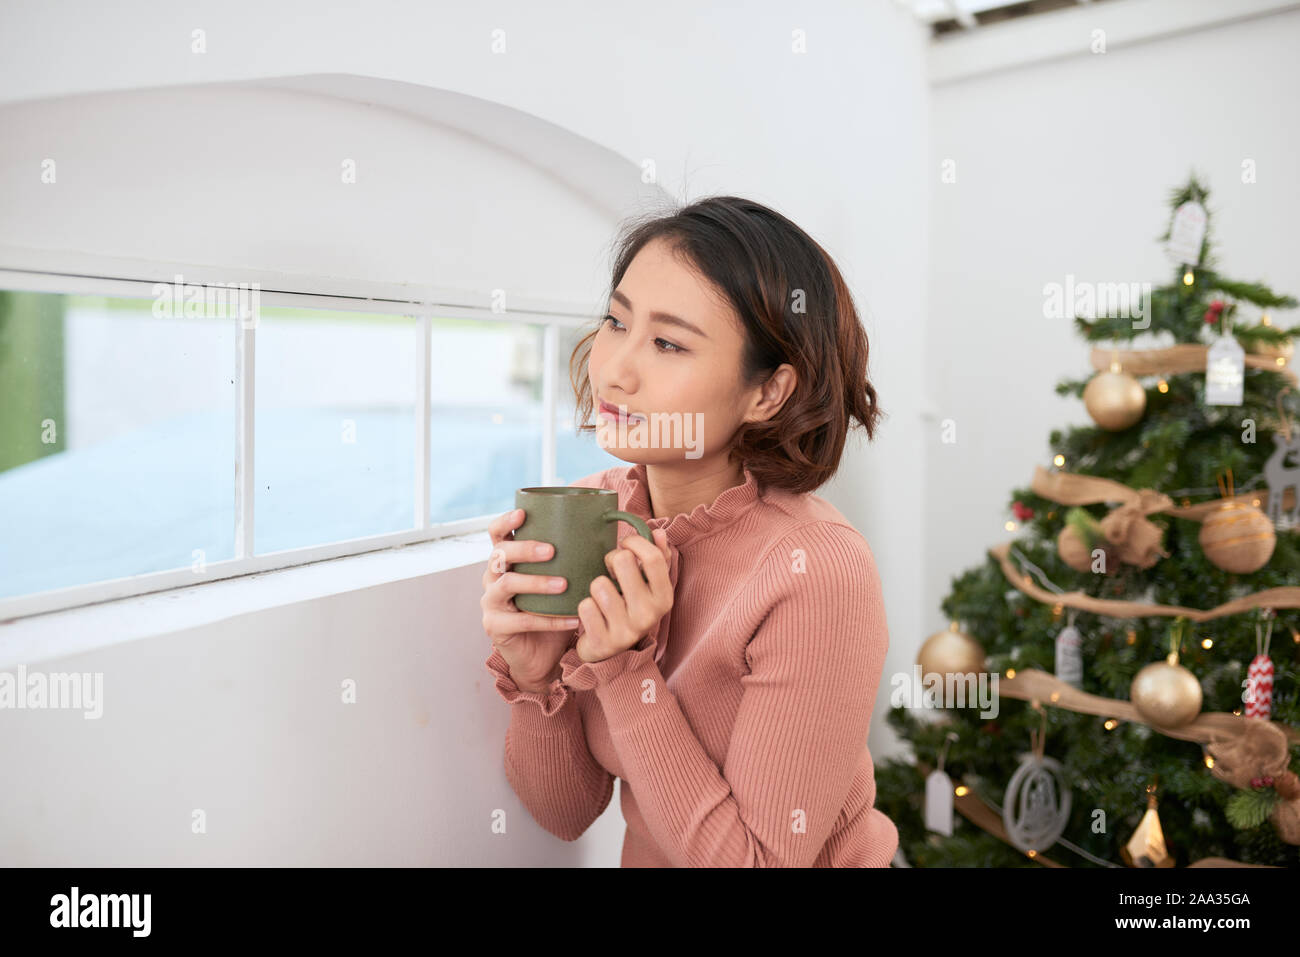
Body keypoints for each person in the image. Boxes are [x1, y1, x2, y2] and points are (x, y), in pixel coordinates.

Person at [480, 195, 898, 867]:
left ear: (768, 393)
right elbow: (564, 813)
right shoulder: (596, 519)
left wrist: (622, 669)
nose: (615, 368)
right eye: (617, 321)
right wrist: (535, 677)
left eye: (669, 342)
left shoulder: (817, 570)